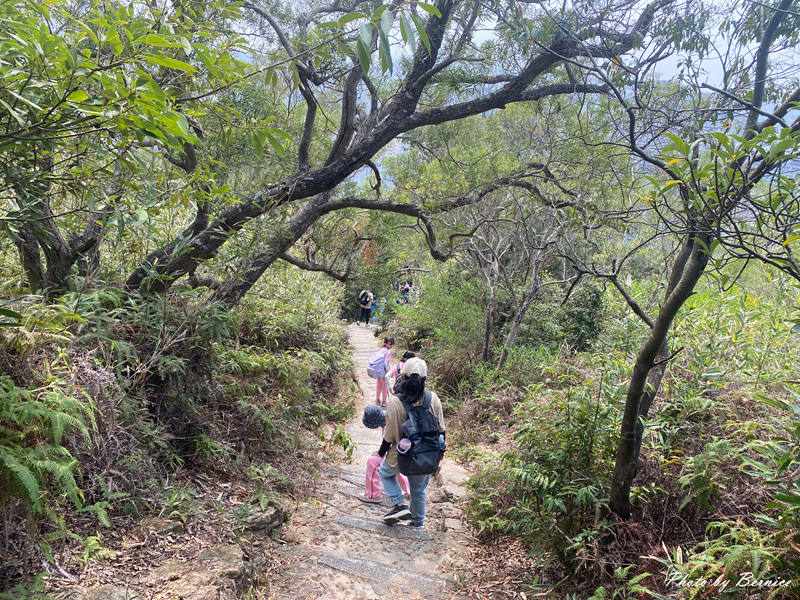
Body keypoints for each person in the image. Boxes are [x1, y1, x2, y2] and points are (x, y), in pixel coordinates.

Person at [377, 357, 445, 529]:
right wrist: (437, 457)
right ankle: (417, 523)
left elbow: (390, 435)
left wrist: (380, 453)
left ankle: (399, 504)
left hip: (401, 453)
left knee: (385, 473)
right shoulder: (434, 398)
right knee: (418, 491)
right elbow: (441, 430)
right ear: (424, 379)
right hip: (425, 454)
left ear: (403, 376)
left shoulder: (394, 402)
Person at [360, 405, 410, 504]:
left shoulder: (388, 424)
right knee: (396, 468)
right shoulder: (390, 415)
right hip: (406, 451)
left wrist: (379, 454)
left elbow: (388, 443)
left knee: (372, 462)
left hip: (399, 453)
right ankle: (408, 491)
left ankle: (373, 495)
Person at [367, 337, 394, 406]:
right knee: (384, 386)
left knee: (379, 384)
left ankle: (377, 399)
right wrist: (388, 372)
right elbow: (386, 363)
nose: (391, 346)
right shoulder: (388, 351)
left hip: (377, 370)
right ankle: (384, 401)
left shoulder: (381, 350)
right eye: (390, 344)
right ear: (387, 344)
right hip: (382, 371)